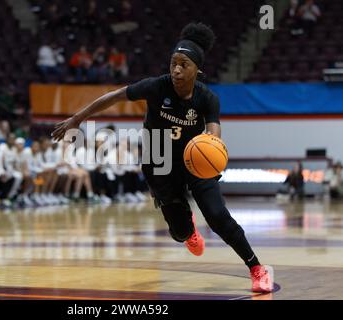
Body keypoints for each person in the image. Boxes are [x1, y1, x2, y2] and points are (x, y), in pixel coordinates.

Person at [52, 22, 273, 293]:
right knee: (179, 233)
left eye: (184, 64)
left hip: (195, 158)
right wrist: (76, 119)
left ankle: (256, 268)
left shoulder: (207, 98)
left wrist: (213, 144)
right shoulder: (157, 86)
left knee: (218, 217)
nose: (177, 70)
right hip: (159, 157)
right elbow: (113, 97)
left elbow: (214, 132)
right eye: (173, 63)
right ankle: (188, 229)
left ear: (197, 70)